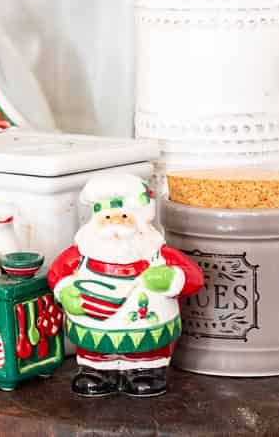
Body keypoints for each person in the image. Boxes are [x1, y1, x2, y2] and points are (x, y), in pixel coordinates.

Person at [47, 170, 203, 397]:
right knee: (94, 351)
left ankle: (146, 371)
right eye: (107, 218)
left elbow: (195, 277)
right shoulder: (82, 253)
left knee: (147, 351)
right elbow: (57, 273)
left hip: (147, 331)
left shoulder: (157, 254)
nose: (115, 225)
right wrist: (65, 289)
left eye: (123, 217)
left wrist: (172, 278)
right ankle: (96, 372)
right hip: (93, 327)